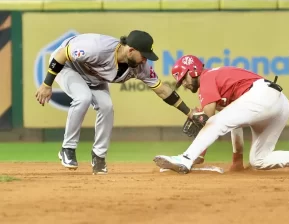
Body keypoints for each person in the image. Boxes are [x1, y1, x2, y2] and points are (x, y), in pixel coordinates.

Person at [35, 30, 195, 175]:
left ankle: (99, 156)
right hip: (67, 66)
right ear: (131, 50)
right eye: (144, 55)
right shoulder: (97, 47)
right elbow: (62, 54)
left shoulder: (140, 67)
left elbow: (162, 90)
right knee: (83, 97)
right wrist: (47, 84)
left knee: (107, 107)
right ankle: (67, 148)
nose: (145, 60)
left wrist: (189, 113)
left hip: (94, 76)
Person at [153, 55, 289, 174]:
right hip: (279, 103)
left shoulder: (207, 78)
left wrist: (197, 117)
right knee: (259, 160)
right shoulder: (219, 88)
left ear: (193, 71)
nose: (183, 83)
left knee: (215, 120)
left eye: (184, 78)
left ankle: (184, 158)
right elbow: (232, 122)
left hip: (262, 95)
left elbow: (208, 118)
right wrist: (236, 159)